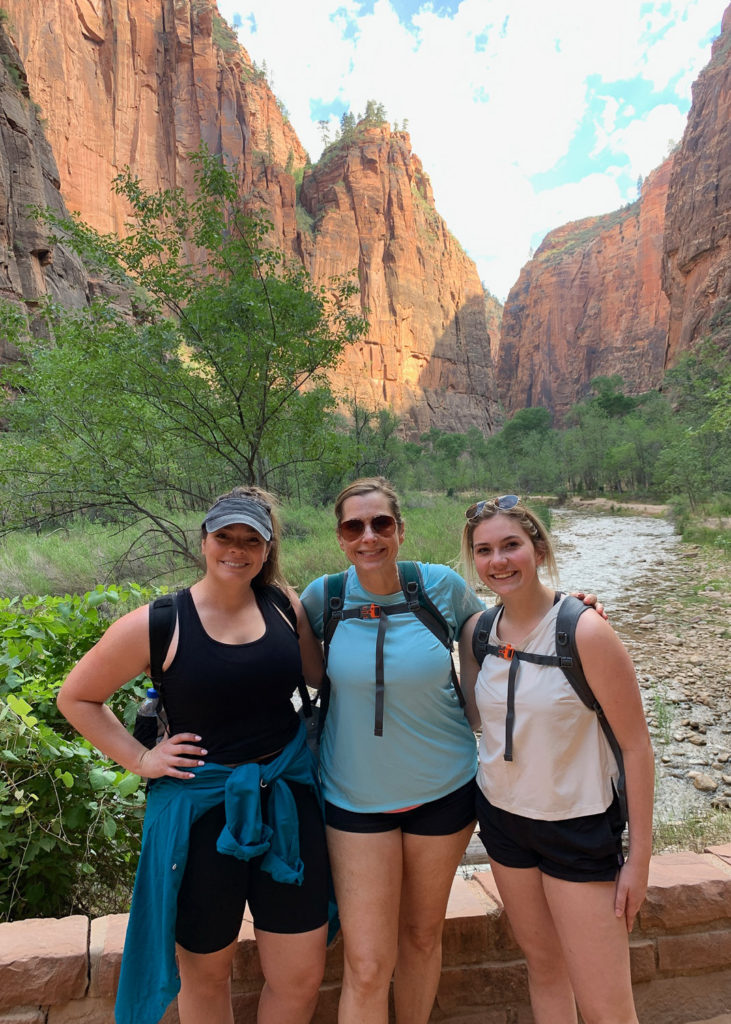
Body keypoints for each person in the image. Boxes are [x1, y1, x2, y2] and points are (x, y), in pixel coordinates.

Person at [300, 478, 602, 1024]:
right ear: (340, 537)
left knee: (420, 938)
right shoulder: (324, 598)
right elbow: (267, 648)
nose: (369, 537)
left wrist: (570, 610)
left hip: (445, 794)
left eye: (381, 524)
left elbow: (509, 628)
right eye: (354, 526)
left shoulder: (437, 587)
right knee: (367, 963)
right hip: (352, 799)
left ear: (400, 528)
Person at [57, 486, 330, 1024]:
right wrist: (141, 760)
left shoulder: (283, 605)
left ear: (267, 547)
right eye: (224, 536)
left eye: (250, 539)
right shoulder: (159, 623)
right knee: (206, 976)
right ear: (203, 541)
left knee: (300, 976)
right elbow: (77, 697)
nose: (236, 548)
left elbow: (319, 677)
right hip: (199, 813)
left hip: (287, 800)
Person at [458, 495, 654, 1024]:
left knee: (606, 1005)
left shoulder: (585, 630)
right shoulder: (478, 632)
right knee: (544, 971)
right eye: (484, 550)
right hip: (503, 822)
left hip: (578, 828)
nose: (498, 560)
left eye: (510, 546)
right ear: (473, 560)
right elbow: (475, 719)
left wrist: (639, 858)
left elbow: (637, 746)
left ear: (538, 549)